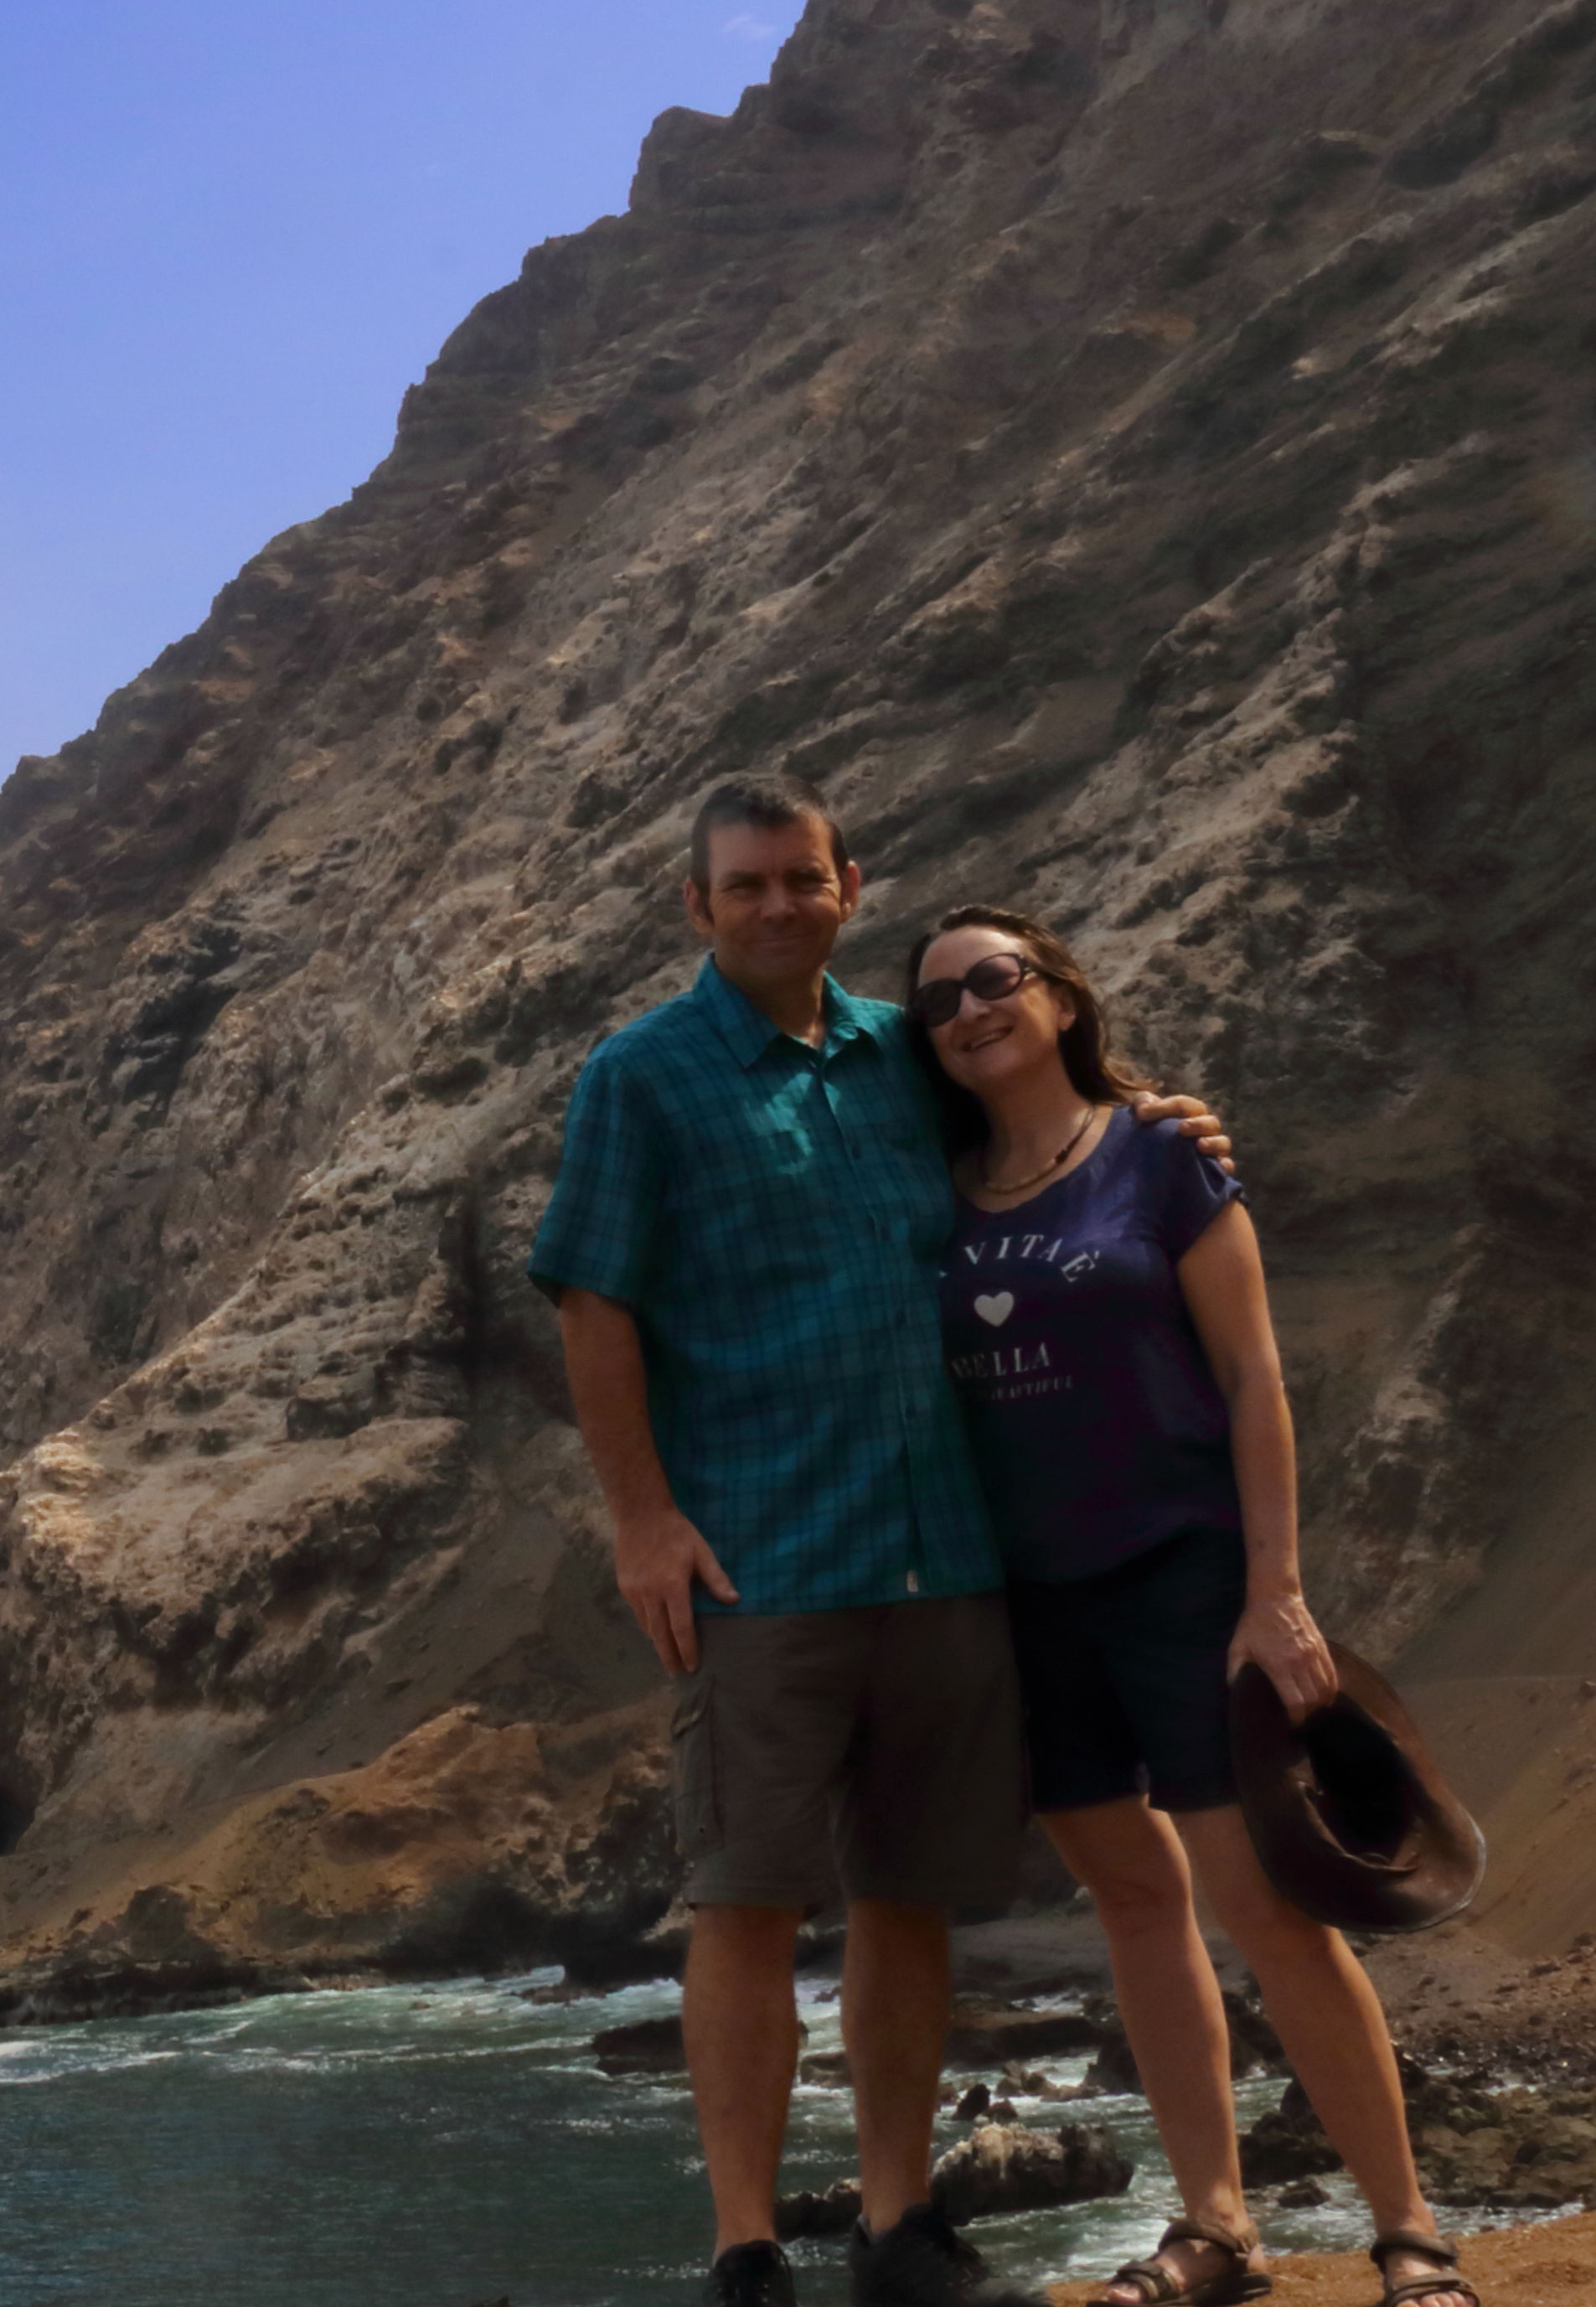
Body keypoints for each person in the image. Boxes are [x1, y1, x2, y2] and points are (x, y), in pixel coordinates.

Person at [533, 773, 1225, 2307]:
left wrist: (1158, 1122)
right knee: (745, 1902)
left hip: (943, 1555)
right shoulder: (639, 1075)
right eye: (744, 884)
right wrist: (642, 1521)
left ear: (848, 886)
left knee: (906, 1896)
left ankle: (896, 2227)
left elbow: (1044, 1130)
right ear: (696, 906)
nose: (776, 904)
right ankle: (744, 2248)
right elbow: (592, 1300)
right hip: (759, 1558)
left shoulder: (903, 1054)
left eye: (801, 877)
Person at [907, 908, 1474, 2307]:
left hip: (1184, 1581)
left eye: (993, 978)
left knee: (1268, 1907)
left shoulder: (1161, 1154)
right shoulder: (929, 1194)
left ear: (1058, 995)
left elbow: (1252, 1378)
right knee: (1130, 1903)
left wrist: (1274, 1591)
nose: (968, 1009)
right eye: (937, 1001)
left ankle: (1408, 2235)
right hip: (1026, 1608)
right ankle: (1216, 2229)